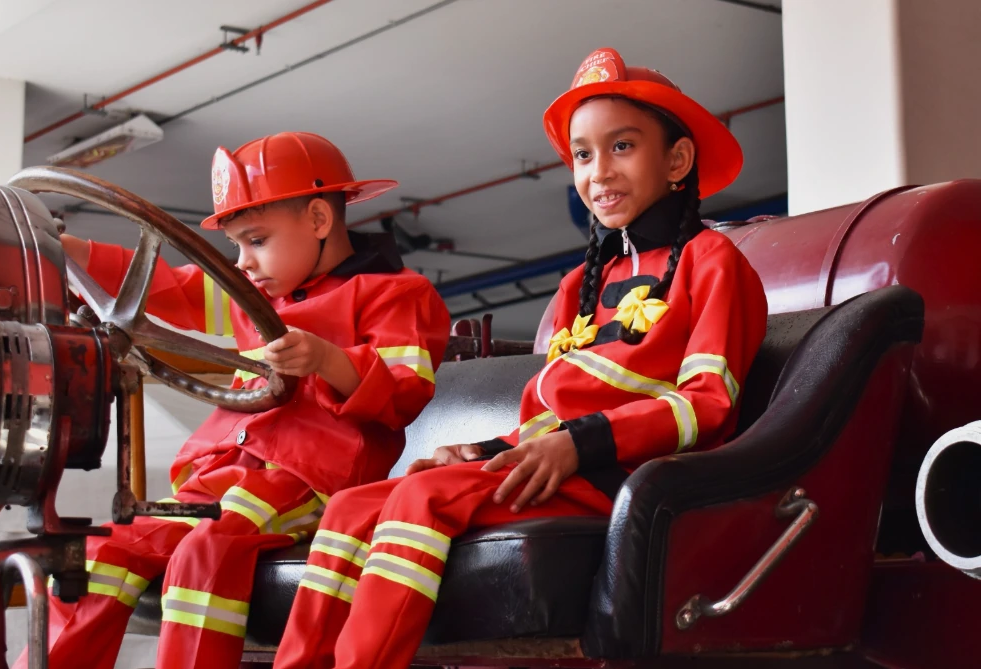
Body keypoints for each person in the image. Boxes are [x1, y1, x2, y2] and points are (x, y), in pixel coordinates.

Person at [272, 48, 768, 669]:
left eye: (622, 147)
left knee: (418, 501)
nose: (599, 172)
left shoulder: (712, 262)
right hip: (557, 466)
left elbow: (708, 406)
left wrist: (578, 445)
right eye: (583, 155)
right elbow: (544, 421)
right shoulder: (575, 287)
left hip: (622, 477)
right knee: (350, 506)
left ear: (677, 160)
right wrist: (479, 452)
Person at [16, 132, 451, 669]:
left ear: (319, 220)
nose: (242, 263)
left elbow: (403, 393)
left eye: (257, 240)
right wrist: (66, 250)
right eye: (236, 246)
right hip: (222, 470)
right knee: (105, 554)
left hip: (311, 477)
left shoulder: (397, 295)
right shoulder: (256, 297)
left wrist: (326, 360)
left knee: (208, 549)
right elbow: (166, 289)